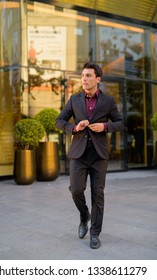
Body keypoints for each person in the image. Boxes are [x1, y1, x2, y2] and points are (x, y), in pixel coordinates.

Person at [56, 61, 124, 249]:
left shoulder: (108, 101)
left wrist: (105, 126)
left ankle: (95, 233)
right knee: (76, 190)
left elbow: (120, 123)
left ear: (98, 79)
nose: (84, 79)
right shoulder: (74, 100)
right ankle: (84, 214)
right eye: (83, 75)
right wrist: (75, 127)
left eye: (88, 76)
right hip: (79, 153)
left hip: (99, 155)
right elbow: (59, 121)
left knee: (98, 194)